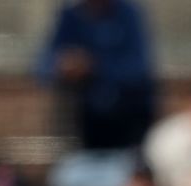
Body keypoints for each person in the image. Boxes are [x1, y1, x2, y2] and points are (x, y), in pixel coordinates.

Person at [37, 0, 156, 150]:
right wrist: (62, 66)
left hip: (130, 116)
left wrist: (94, 66)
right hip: (85, 121)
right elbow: (43, 66)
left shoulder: (129, 13)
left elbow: (139, 68)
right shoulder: (71, 15)